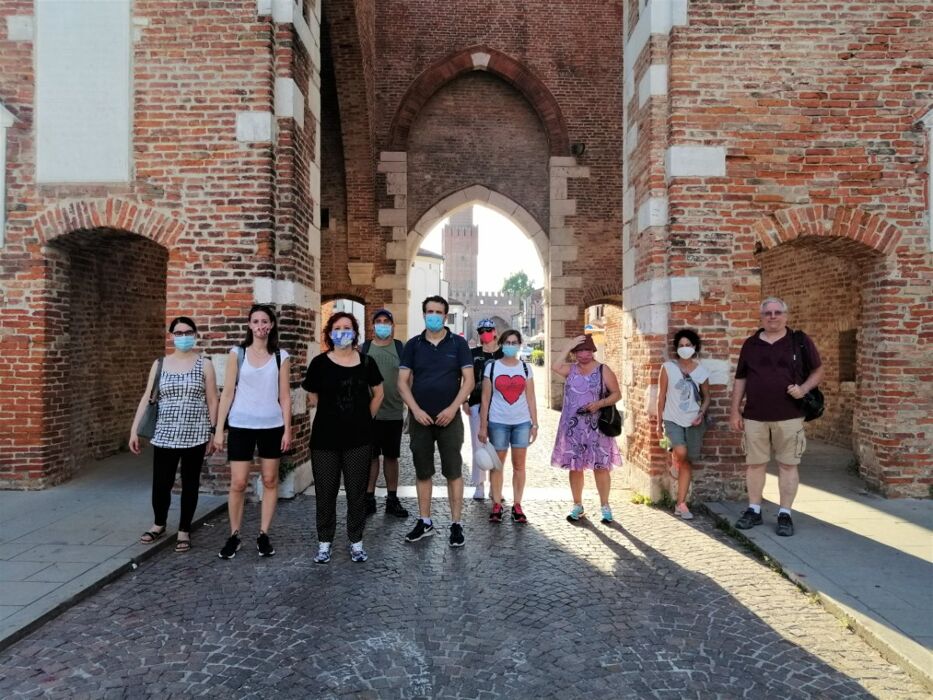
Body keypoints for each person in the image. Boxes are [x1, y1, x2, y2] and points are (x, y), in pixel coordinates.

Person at [730, 296, 824, 537]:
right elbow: (741, 378)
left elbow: (818, 370)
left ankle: (785, 513)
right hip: (754, 416)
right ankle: (754, 509)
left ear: (786, 315)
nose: (773, 316)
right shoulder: (750, 344)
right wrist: (734, 411)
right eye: (767, 313)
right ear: (761, 317)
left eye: (777, 312)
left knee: (788, 465)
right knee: (755, 464)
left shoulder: (798, 342)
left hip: (790, 415)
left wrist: (803, 389)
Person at [129, 317, 218, 553]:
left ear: (195, 334)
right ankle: (159, 524)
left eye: (188, 332)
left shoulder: (204, 364)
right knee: (161, 483)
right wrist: (134, 430)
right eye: (178, 333)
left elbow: (212, 399)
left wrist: (213, 431)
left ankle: (184, 529)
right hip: (165, 433)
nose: (183, 336)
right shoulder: (160, 364)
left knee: (190, 484)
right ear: (171, 336)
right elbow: (147, 397)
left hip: (195, 433)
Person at [302, 312, 384, 563]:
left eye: (347, 327)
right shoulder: (319, 363)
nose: (342, 332)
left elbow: (379, 393)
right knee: (325, 492)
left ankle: (356, 542)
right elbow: (311, 396)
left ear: (355, 332)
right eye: (337, 327)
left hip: (358, 440)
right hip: (325, 440)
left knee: (356, 492)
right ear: (329, 333)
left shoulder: (367, 363)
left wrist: (363, 418)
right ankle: (324, 542)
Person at [214, 304, 292, 559]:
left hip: (271, 425)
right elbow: (227, 392)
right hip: (241, 424)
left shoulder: (281, 356)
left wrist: (287, 430)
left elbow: (284, 396)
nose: (260, 326)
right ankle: (234, 535)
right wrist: (218, 429)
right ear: (249, 325)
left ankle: (263, 534)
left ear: (271, 325)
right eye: (256, 321)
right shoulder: (237, 353)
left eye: (265, 321)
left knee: (270, 480)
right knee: (238, 482)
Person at [397, 295, 474, 547]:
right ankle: (425, 521)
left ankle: (456, 524)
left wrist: (453, 409)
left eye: (438, 312)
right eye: (429, 311)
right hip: (421, 418)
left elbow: (469, 381)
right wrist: (415, 410)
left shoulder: (458, 345)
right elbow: (402, 382)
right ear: (424, 314)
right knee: (422, 471)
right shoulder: (413, 345)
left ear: (445, 315)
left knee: (453, 471)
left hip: (449, 418)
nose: (433, 316)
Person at [550, 334, 622, 523]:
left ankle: (605, 506)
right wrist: (569, 345)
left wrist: (600, 404)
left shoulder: (603, 370)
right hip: (573, 427)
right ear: (574, 353)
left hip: (596, 426)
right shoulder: (570, 370)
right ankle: (577, 505)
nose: (584, 354)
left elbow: (617, 394)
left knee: (601, 467)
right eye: (580, 350)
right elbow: (554, 366)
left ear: (593, 351)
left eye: (588, 350)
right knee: (575, 467)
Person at [478, 329, 537, 524]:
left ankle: (517, 505)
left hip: (521, 422)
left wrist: (534, 423)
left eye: (514, 342)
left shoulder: (526, 368)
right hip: (498, 422)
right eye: (507, 342)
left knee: (519, 466)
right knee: (497, 465)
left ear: (519, 345)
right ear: (501, 344)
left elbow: (531, 397)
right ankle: (497, 503)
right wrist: (483, 426)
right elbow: (485, 399)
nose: (510, 346)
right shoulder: (492, 368)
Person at [657, 329, 711, 520]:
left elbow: (706, 398)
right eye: (681, 345)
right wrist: (658, 423)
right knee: (680, 451)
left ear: (694, 347)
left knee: (687, 461)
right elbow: (661, 396)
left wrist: (701, 413)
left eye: (688, 345)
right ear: (676, 348)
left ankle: (681, 504)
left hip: (694, 421)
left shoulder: (701, 371)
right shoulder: (668, 368)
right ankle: (674, 460)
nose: (684, 348)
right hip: (672, 418)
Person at [360, 308, 408, 519]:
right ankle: (368, 498)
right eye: (378, 321)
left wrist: (409, 406)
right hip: (369, 413)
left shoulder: (400, 347)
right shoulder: (365, 348)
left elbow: (408, 378)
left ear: (392, 325)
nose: (382, 324)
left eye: (386, 321)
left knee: (391, 457)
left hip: (393, 412)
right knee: (370, 457)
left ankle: (392, 498)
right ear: (373, 325)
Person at [463, 318, 502, 501]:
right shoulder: (473, 353)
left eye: (487, 330)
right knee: (478, 445)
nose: (484, 333)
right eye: (481, 331)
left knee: (498, 446)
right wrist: (464, 399)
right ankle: (479, 485)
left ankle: (496, 487)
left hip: (500, 406)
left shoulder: (503, 353)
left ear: (494, 332)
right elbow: (466, 378)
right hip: (477, 403)